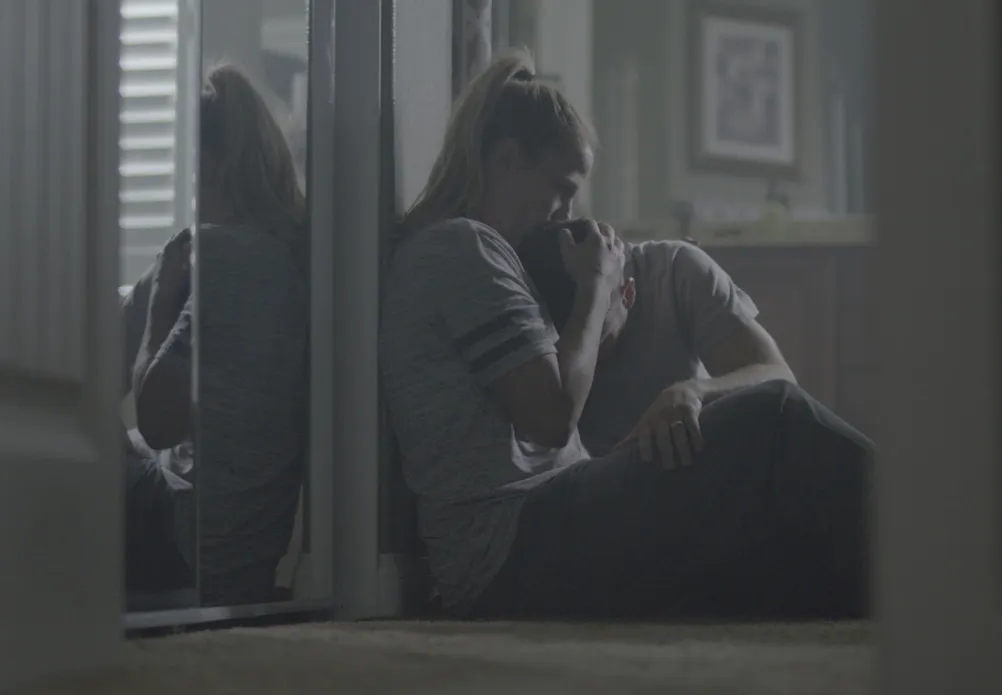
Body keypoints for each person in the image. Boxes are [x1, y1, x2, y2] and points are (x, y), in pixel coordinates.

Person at [380, 50, 871, 620]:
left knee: (787, 562)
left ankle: (925, 606)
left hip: (538, 526)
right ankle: (941, 548)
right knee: (775, 417)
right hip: (509, 543)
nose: (566, 212)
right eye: (560, 187)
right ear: (508, 159)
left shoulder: (487, 256)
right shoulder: (462, 247)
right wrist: (596, 286)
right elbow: (552, 416)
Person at [126, 64, 309, 605]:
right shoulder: (290, 258)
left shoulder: (220, 254)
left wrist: (160, 304)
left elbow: (156, 421)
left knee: (62, 453)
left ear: (208, 165)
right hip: (249, 550)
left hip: (193, 545)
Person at [517, 220, 805, 460]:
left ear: (628, 294)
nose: (588, 354)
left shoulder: (675, 270)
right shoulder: (527, 302)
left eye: (598, 332)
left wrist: (695, 392)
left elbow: (778, 378)